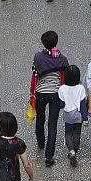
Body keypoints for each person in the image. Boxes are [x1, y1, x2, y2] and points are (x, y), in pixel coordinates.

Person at [32, 30, 69, 166]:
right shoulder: (62, 59)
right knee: (52, 124)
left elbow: (35, 74)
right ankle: (49, 157)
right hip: (55, 93)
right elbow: (66, 74)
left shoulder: (38, 57)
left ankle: (41, 142)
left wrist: (32, 92)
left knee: (40, 118)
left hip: (40, 92)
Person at [58, 65, 87, 167]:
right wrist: (85, 118)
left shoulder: (62, 88)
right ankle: (75, 149)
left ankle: (71, 151)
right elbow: (83, 104)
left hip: (68, 114)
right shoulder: (81, 88)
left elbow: (61, 104)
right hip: (78, 114)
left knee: (68, 133)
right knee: (77, 133)